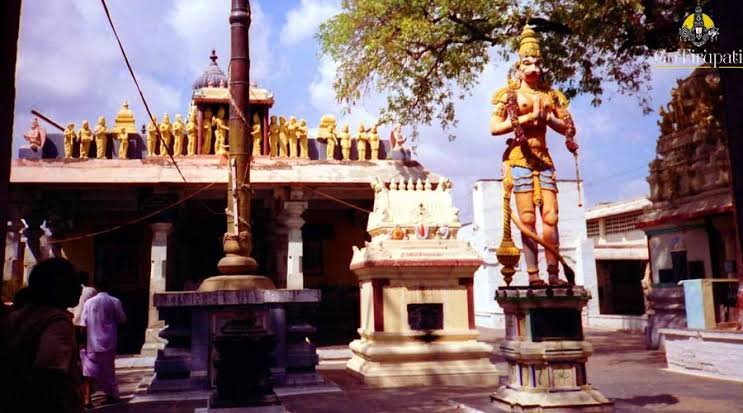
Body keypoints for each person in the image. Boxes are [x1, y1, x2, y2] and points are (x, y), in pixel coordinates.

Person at [489, 25, 579, 286]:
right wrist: (526, 118)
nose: (534, 68)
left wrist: (549, 118)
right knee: (527, 219)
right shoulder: (509, 95)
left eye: (538, 63)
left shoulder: (551, 96)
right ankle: (533, 276)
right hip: (519, 159)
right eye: (527, 63)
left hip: (544, 160)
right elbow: (494, 127)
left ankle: (554, 274)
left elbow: (569, 129)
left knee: (551, 217)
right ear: (518, 67)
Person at [1, 257, 84, 413]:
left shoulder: (16, 317)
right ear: (61, 287)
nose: (80, 289)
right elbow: (50, 374)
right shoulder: (57, 321)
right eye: (74, 282)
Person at [80, 282, 126, 404]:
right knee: (109, 370)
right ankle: (111, 394)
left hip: (92, 341)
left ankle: (87, 398)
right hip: (109, 341)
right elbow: (122, 319)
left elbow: (83, 323)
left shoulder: (89, 303)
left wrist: (82, 341)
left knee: (88, 371)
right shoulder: (114, 301)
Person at [68, 271, 97, 407]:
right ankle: (87, 396)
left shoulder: (68, 291)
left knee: (74, 360)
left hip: (70, 325)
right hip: (83, 328)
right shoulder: (90, 291)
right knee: (86, 361)